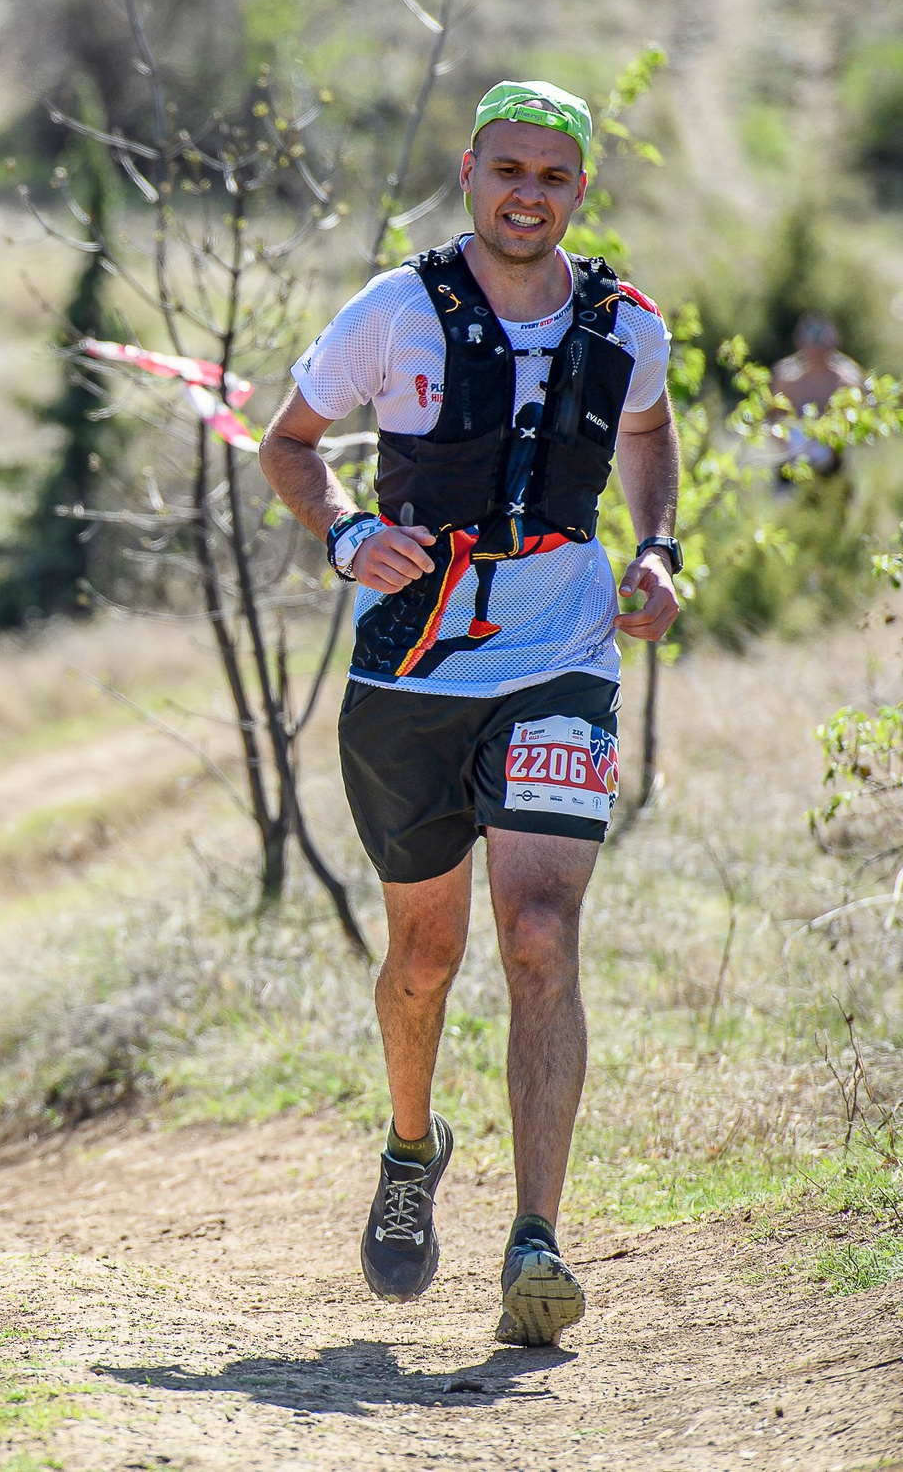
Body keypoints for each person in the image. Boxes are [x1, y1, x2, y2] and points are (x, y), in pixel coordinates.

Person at [257, 80, 682, 1348]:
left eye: (552, 176)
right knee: (424, 959)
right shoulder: (396, 310)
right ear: (468, 173)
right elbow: (287, 442)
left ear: (580, 189)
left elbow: (650, 431)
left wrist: (656, 547)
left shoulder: (625, 321)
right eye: (508, 170)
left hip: (561, 656)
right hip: (411, 672)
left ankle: (535, 1240)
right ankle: (410, 1146)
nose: (526, 195)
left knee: (539, 932)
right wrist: (345, 534)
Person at [769, 314, 866, 479]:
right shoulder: (787, 379)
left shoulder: (847, 380)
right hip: (793, 462)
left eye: (821, 345)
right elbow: (772, 420)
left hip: (832, 462)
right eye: (812, 345)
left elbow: (862, 421)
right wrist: (789, 447)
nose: (817, 352)